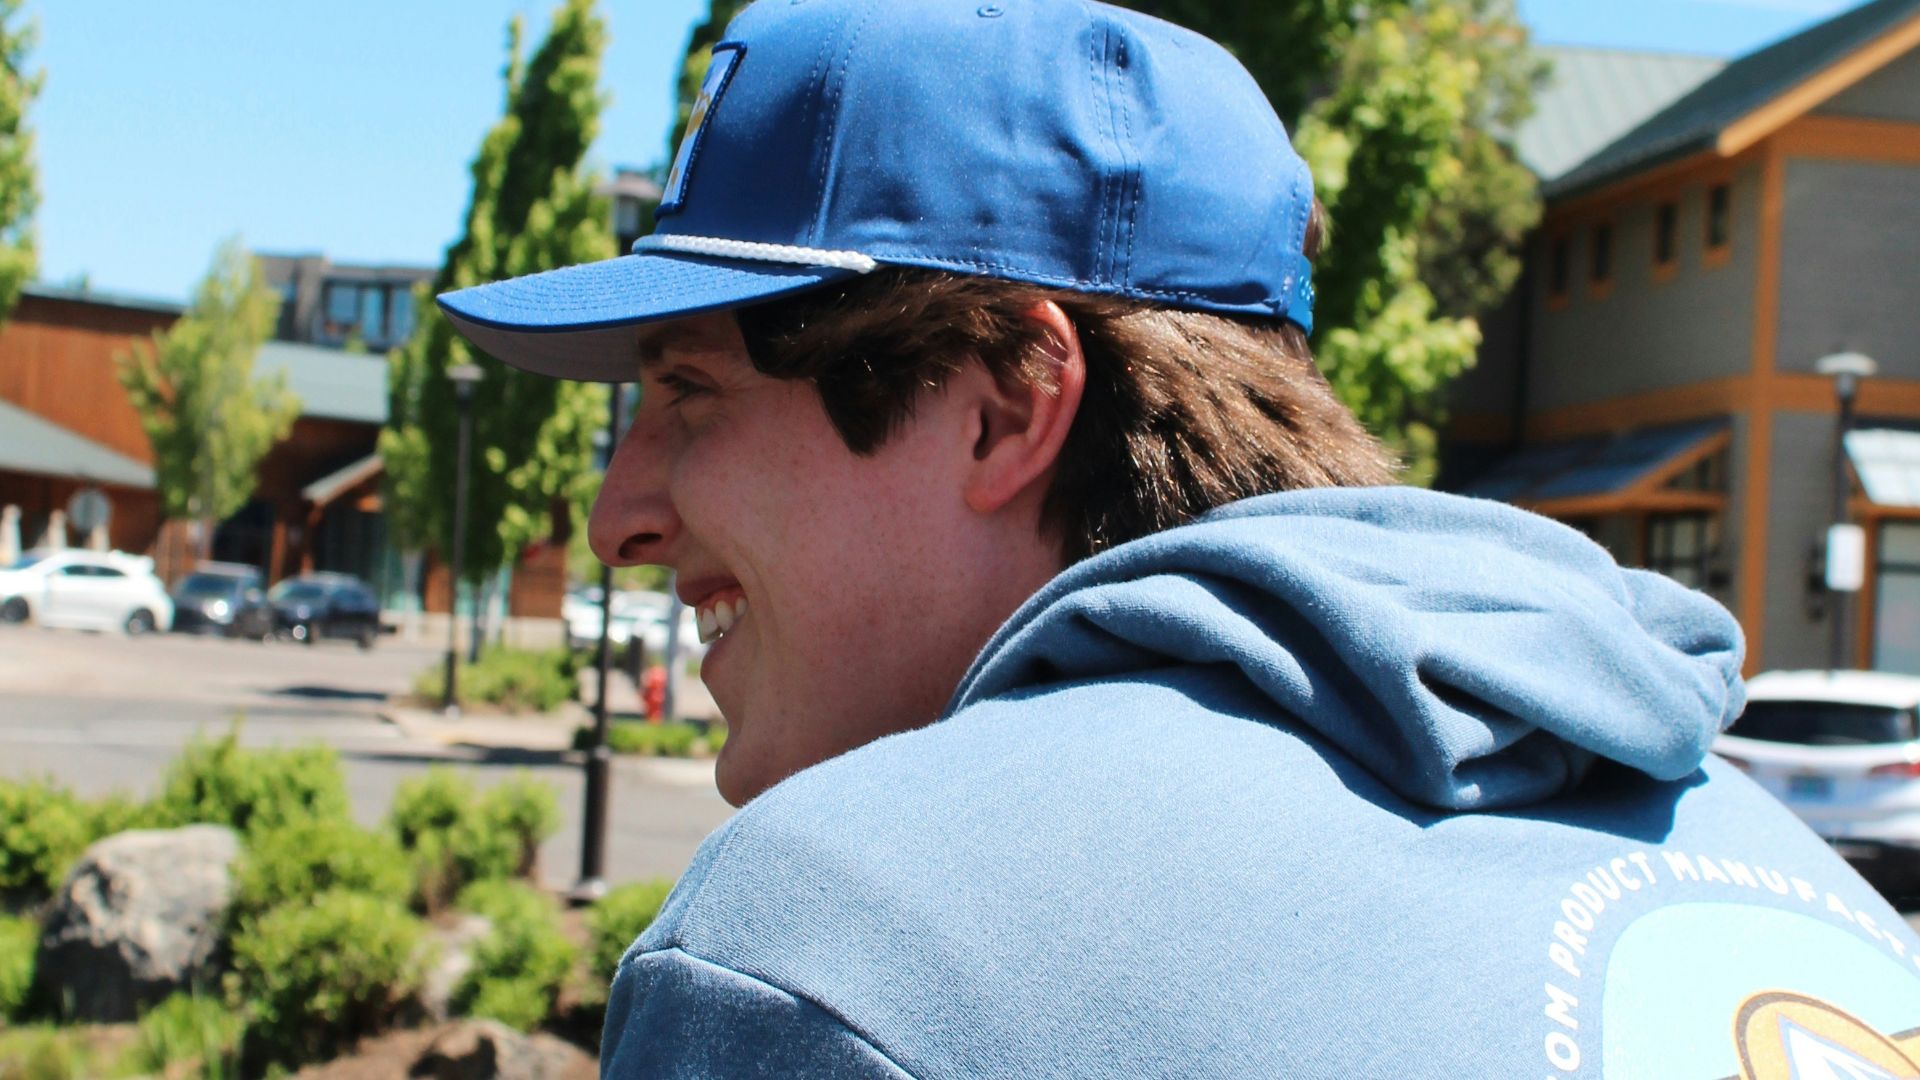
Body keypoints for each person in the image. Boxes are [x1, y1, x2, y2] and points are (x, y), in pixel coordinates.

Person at [440, 1, 1920, 1075]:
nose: (616, 516)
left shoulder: (836, 944)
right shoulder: (1791, 880)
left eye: (690, 393)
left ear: (1010, 405)